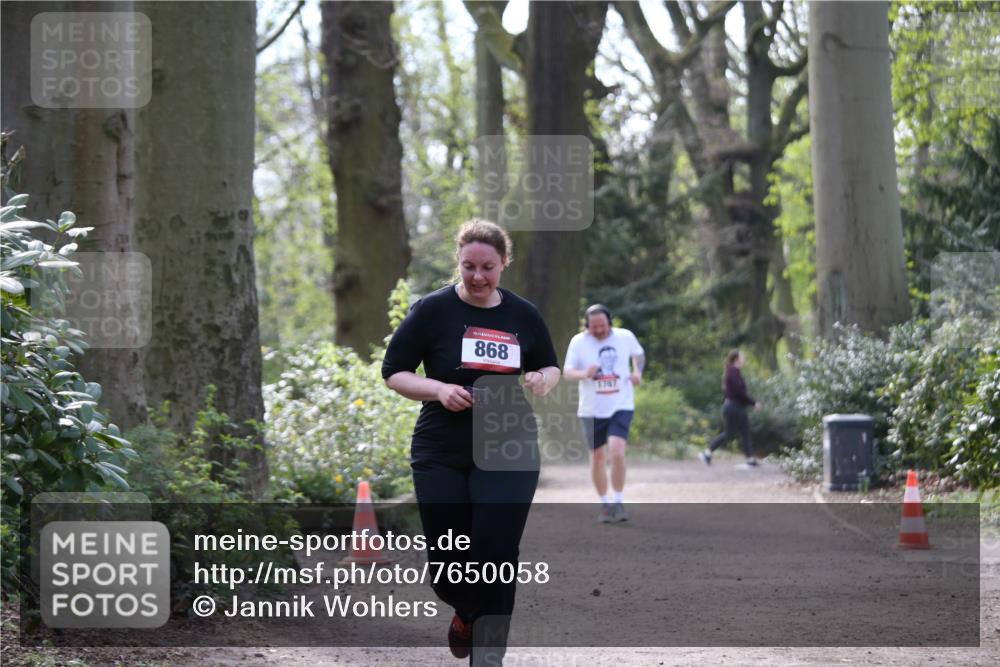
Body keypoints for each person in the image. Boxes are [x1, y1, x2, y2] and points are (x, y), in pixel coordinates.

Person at [382, 219, 560, 664]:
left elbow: (550, 366)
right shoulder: (432, 311)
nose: (478, 276)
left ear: (504, 264)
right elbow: (394, 373)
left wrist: (541, 378)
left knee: (497, 550)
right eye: (468, 267)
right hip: (442, 449)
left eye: (488, 267)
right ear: (457, 264)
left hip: (509, 444)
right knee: (449, 561)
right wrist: (439, 389)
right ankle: (464, 609)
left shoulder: (523, 315)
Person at [563, 304, 645, 523]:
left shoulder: (625, 337)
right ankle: (605, 504)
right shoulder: (578, 342)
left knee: (617, 451)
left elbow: (639, 355)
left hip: (621, 404)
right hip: (591, 409)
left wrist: (637, 372)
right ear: (587, 326)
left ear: (610, 322)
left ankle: (618, 501)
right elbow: (567, 372)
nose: (598, 330)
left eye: (602, 326)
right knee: (598, 457)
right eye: (593, 327)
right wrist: (584, 373)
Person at [699, 349, 761, 467]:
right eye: (742, 357)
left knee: (745, 432)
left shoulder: (735, 372)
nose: (744, 359)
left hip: (737, 407)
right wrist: (753, 403)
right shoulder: (732, 372)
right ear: (736, 359)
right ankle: (707, 453)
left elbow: (740, 392)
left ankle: (750, 459)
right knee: (729, 433)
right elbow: (739, 392)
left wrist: (750, 403)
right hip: (733, 407)